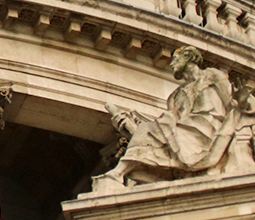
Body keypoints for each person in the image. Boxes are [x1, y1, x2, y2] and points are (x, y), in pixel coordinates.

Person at [102, 45, 246, 187]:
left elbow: (232, 104)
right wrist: (131, 128)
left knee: (158, 128)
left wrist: (243, 101)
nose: (171, 64)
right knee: (157, 128)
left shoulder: (212, 76)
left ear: (188, 57)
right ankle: (120, 169)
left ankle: (120, 170)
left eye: (175, 60)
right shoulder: (175, 96)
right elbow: (169, 128)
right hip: (185, 133)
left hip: (210, 130)